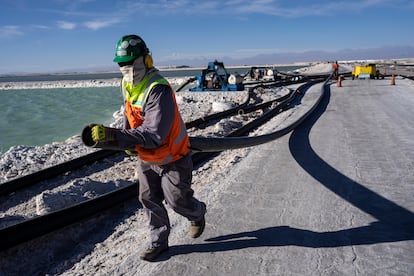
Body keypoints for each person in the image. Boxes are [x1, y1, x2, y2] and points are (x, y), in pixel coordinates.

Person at [89, 34, 206, 261]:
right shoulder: (127, 84)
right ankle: (158, 242)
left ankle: (198, 212)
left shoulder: (158, 89)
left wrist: (115, 136)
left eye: (130, 62)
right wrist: (126, 137)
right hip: (146, 157)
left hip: (173, 156)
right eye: (122, 64)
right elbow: (129, 111)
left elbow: (154, 134)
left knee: (177, 202)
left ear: (147, 60)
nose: (126, 68)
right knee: (148, 199)